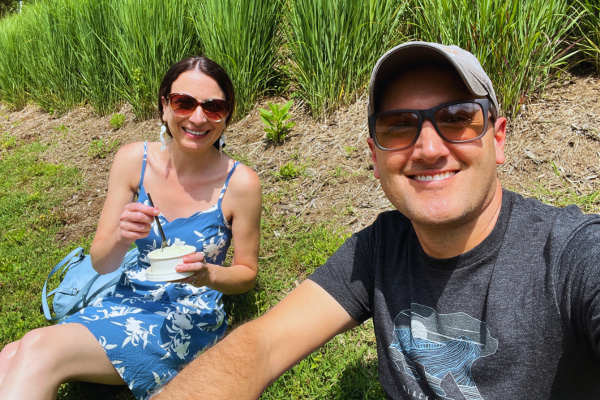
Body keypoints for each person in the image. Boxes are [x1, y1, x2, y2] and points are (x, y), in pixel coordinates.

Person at [151, 41, 600, 400]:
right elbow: (261, 346)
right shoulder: (381, 248)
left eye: (458, 118)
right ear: (374, 155)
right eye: (399, 126)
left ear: (497, 139)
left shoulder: (570, 257)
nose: (427, 148)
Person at [0, 56, 262, 400]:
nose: (198, 118)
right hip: (125, 299)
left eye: (213, 107)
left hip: (185, 318)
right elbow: (102, 263)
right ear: (165, 106)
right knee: (8, 355)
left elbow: (246, 274)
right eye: (185, 103)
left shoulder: (240, 183)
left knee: (36, 347)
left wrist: (207, 275)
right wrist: (123, 236)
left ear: (227, 115)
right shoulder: (132, 161)